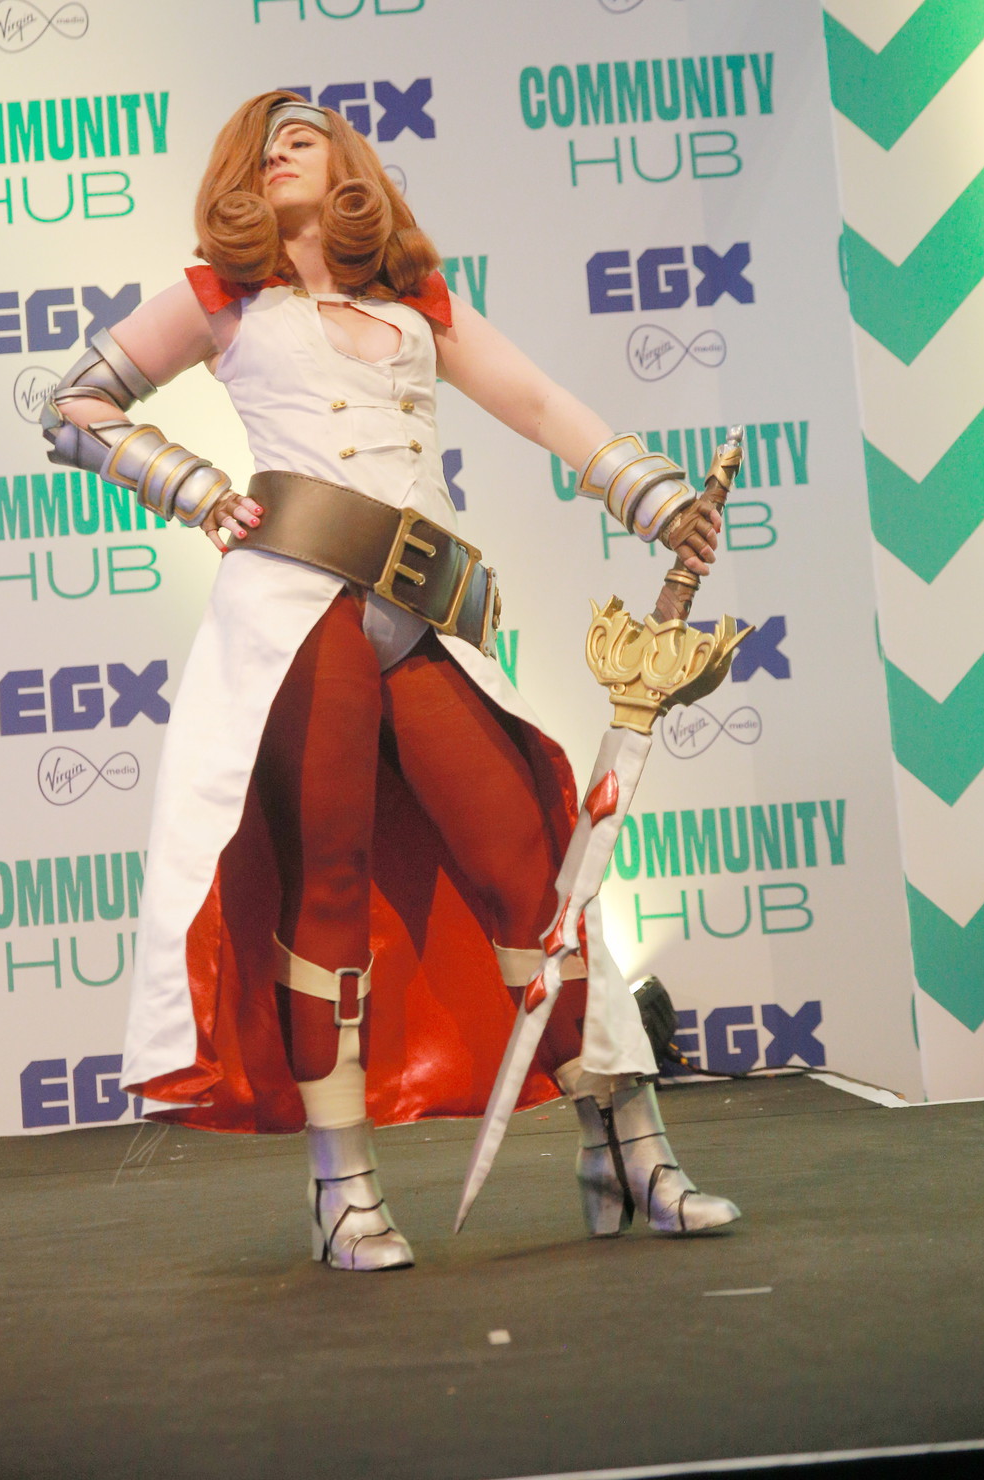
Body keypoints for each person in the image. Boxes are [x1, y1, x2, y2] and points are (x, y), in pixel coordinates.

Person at [41, 91, 739, 1270]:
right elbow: (72, 407)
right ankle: (343, 1192)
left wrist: (655, 496)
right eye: (260, 148)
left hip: (426, 615)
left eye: (302, 137)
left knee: (537, 875)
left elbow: (536, 402)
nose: (279, 153)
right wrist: (190, 486)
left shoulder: (418, 300)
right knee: (328, 884)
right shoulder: (223, 294)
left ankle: (627, 1149)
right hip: (294, 609)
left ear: (349, 164)